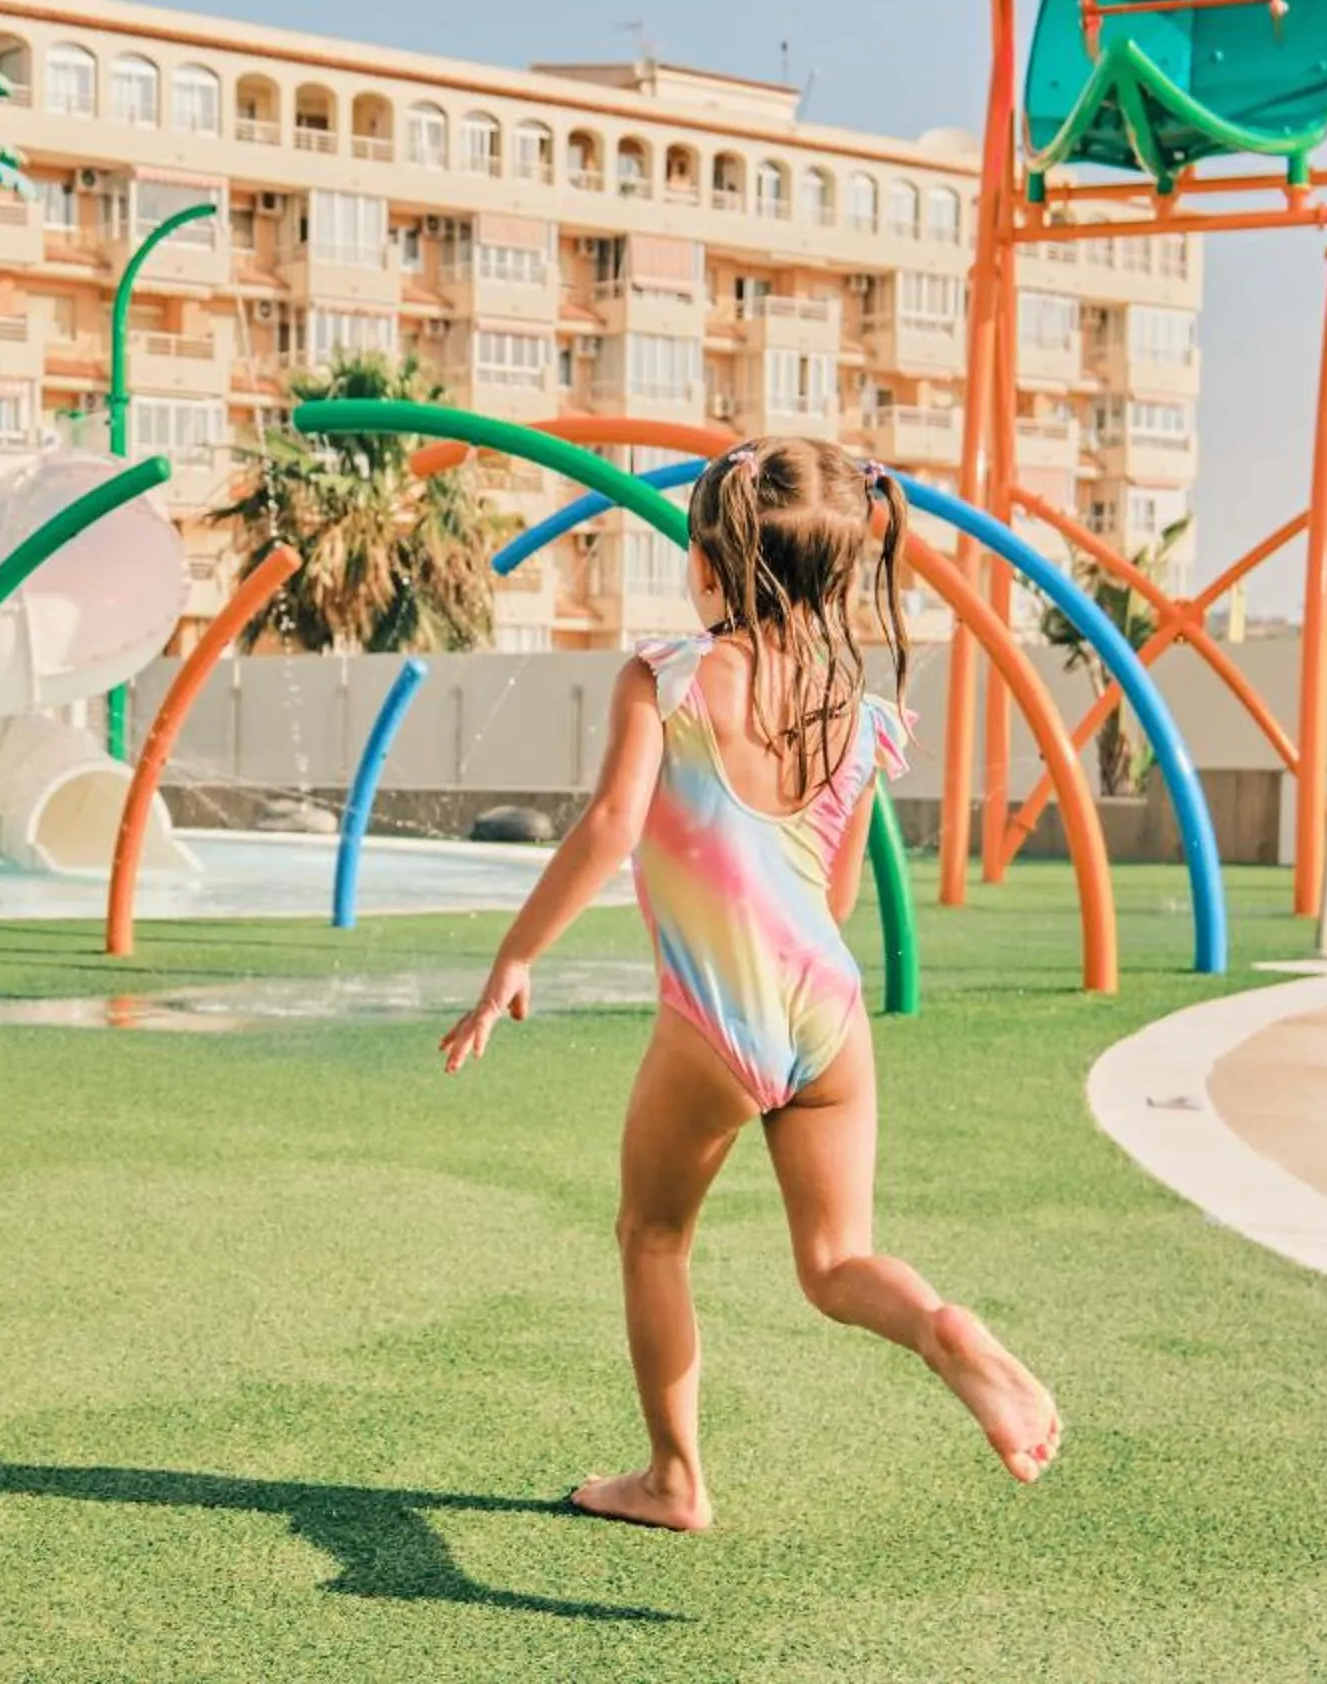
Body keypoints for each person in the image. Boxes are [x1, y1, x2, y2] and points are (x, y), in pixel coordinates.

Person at [442, 436, 1060, 1531]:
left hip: (714, 1019)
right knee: (837, 1260)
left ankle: (675, 1476)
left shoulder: (667, 675)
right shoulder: (861, 713)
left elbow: (612, 827)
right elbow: (834, 890)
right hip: (829, 1011)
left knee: (652, 1234)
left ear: (718, 566)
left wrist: (513, 960)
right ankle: (938, 1327)